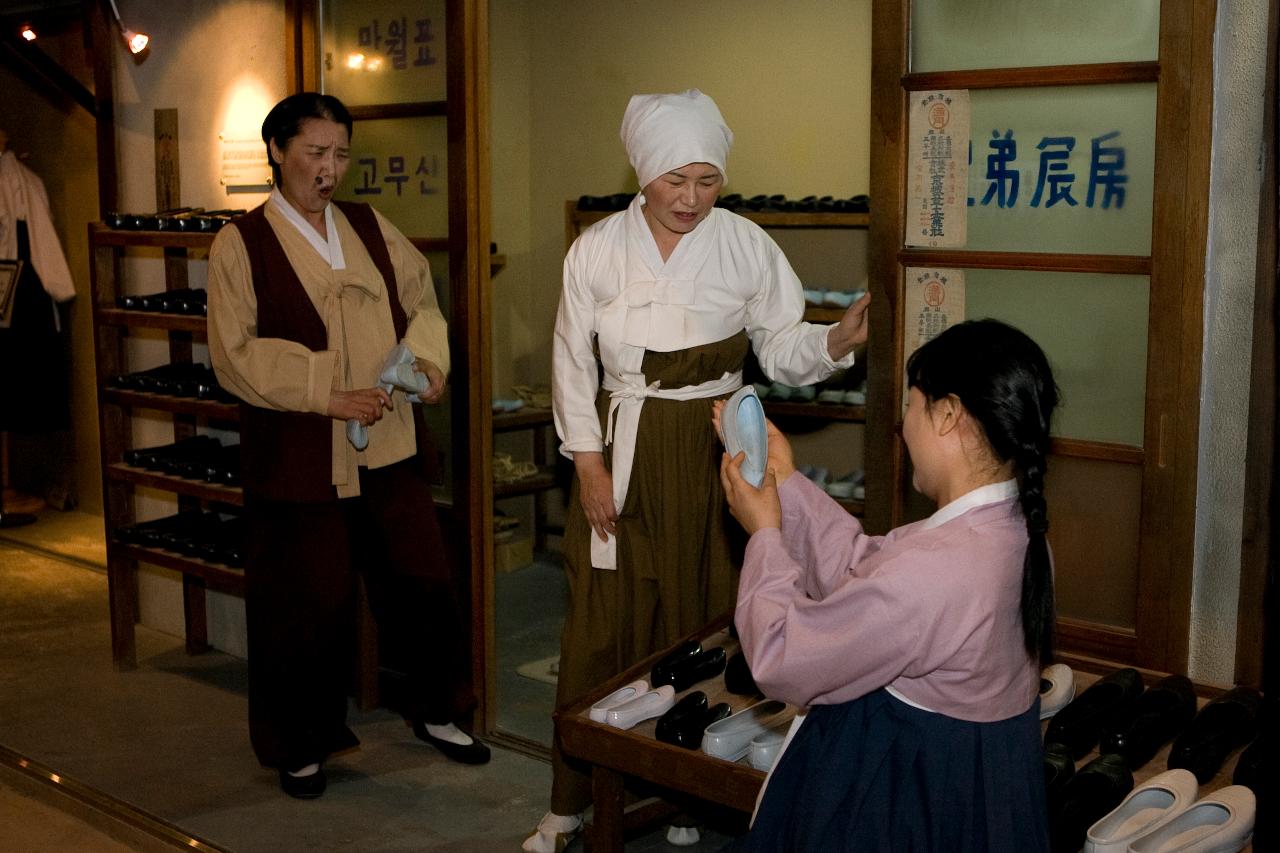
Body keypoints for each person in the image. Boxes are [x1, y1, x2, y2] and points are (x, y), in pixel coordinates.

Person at [526, 89, 870, 852]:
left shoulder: (745, 243)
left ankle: (689, 792)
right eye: (674, 179)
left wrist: (837, 341)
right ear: (642, 173)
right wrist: (586, 460)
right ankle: (570, 798)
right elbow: (567, 361)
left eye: (706, 180)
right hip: (625, 442)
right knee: (603, 621)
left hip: (720, 443)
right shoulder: (597, 248)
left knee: (708, 612)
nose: (689, 198)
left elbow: (780, 347)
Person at [208, 92, 488, 799]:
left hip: (387, 440)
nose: (329, 170)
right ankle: (298, 744)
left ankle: (440, 709)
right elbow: (233, 353)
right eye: (315, 154)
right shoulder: (240, 244)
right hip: (299, 454)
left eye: (340, 155)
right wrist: (325, 392)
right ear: (277, 150)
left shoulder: (366, 224)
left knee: (423, 578)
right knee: (305, 603)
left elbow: (422, 300)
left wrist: (427, 362)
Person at [718, 318, 1057, 851]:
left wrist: (764, 534)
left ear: (948, 415)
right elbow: (867, 569)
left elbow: (782, 658)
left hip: (907, 794)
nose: (904, 425)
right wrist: (787, 483)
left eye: (914, 405)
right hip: (983, 783)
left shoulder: (935, 570)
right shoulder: (1013, 532)